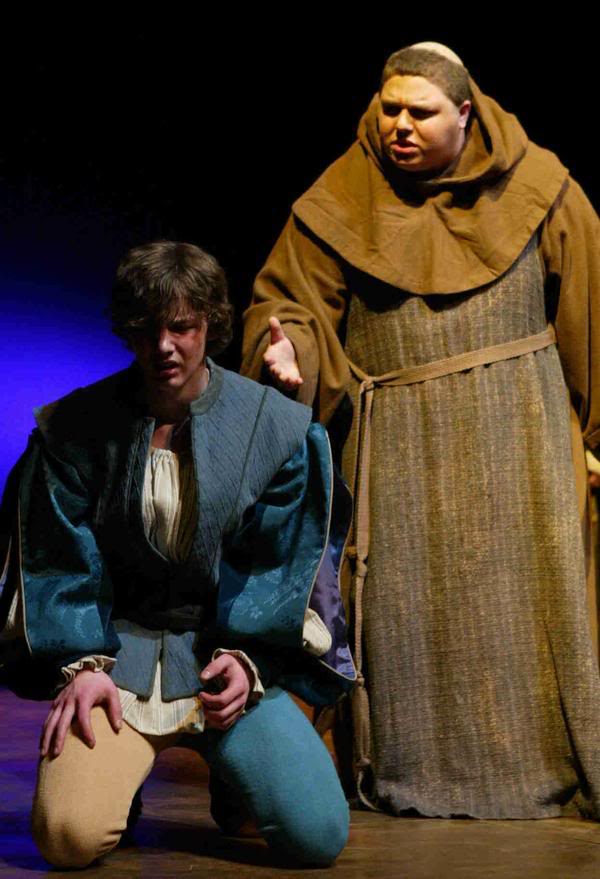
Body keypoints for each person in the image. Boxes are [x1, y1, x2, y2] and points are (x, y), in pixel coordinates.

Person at [241, 43, 600, 819]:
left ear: (466, 114)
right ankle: (406, 763)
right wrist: (289, 347)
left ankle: (538, 761)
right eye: (390, 109)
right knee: (408, 619)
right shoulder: (343, 196)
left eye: (421, 112)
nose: (399, 126)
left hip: (522, 441)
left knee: (522, 613)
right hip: (399, 449)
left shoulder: (542, 189)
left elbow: (591, 316)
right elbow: (292, 303)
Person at [0, 240, 355, 868]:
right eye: (146, 329)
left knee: (317, 836)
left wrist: (247, 659)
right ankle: (121, 775)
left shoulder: (272, 427)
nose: (164, 346)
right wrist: (82, 666)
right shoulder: (76, 428)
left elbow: (277, 565)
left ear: (210, 324)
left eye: (182, 327)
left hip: (222, 660)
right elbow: (61, 560)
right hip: (117, 661)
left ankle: (234, 776)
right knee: (67, 837)